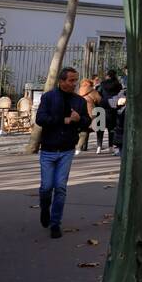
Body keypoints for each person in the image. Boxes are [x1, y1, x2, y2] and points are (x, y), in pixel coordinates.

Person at [35, 67, 91, 238]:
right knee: (46, 187)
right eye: (71, 80)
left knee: (60, 187)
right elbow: (40, 119)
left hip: (67, 149)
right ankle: (45, 207)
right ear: (61, 81)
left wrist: (79, 119)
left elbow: (87, 121)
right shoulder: (49, 97)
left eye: (76, 80)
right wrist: (63, 120)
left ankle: (55, 223)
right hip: (48, 149)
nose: (74, 84)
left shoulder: (79, 101)